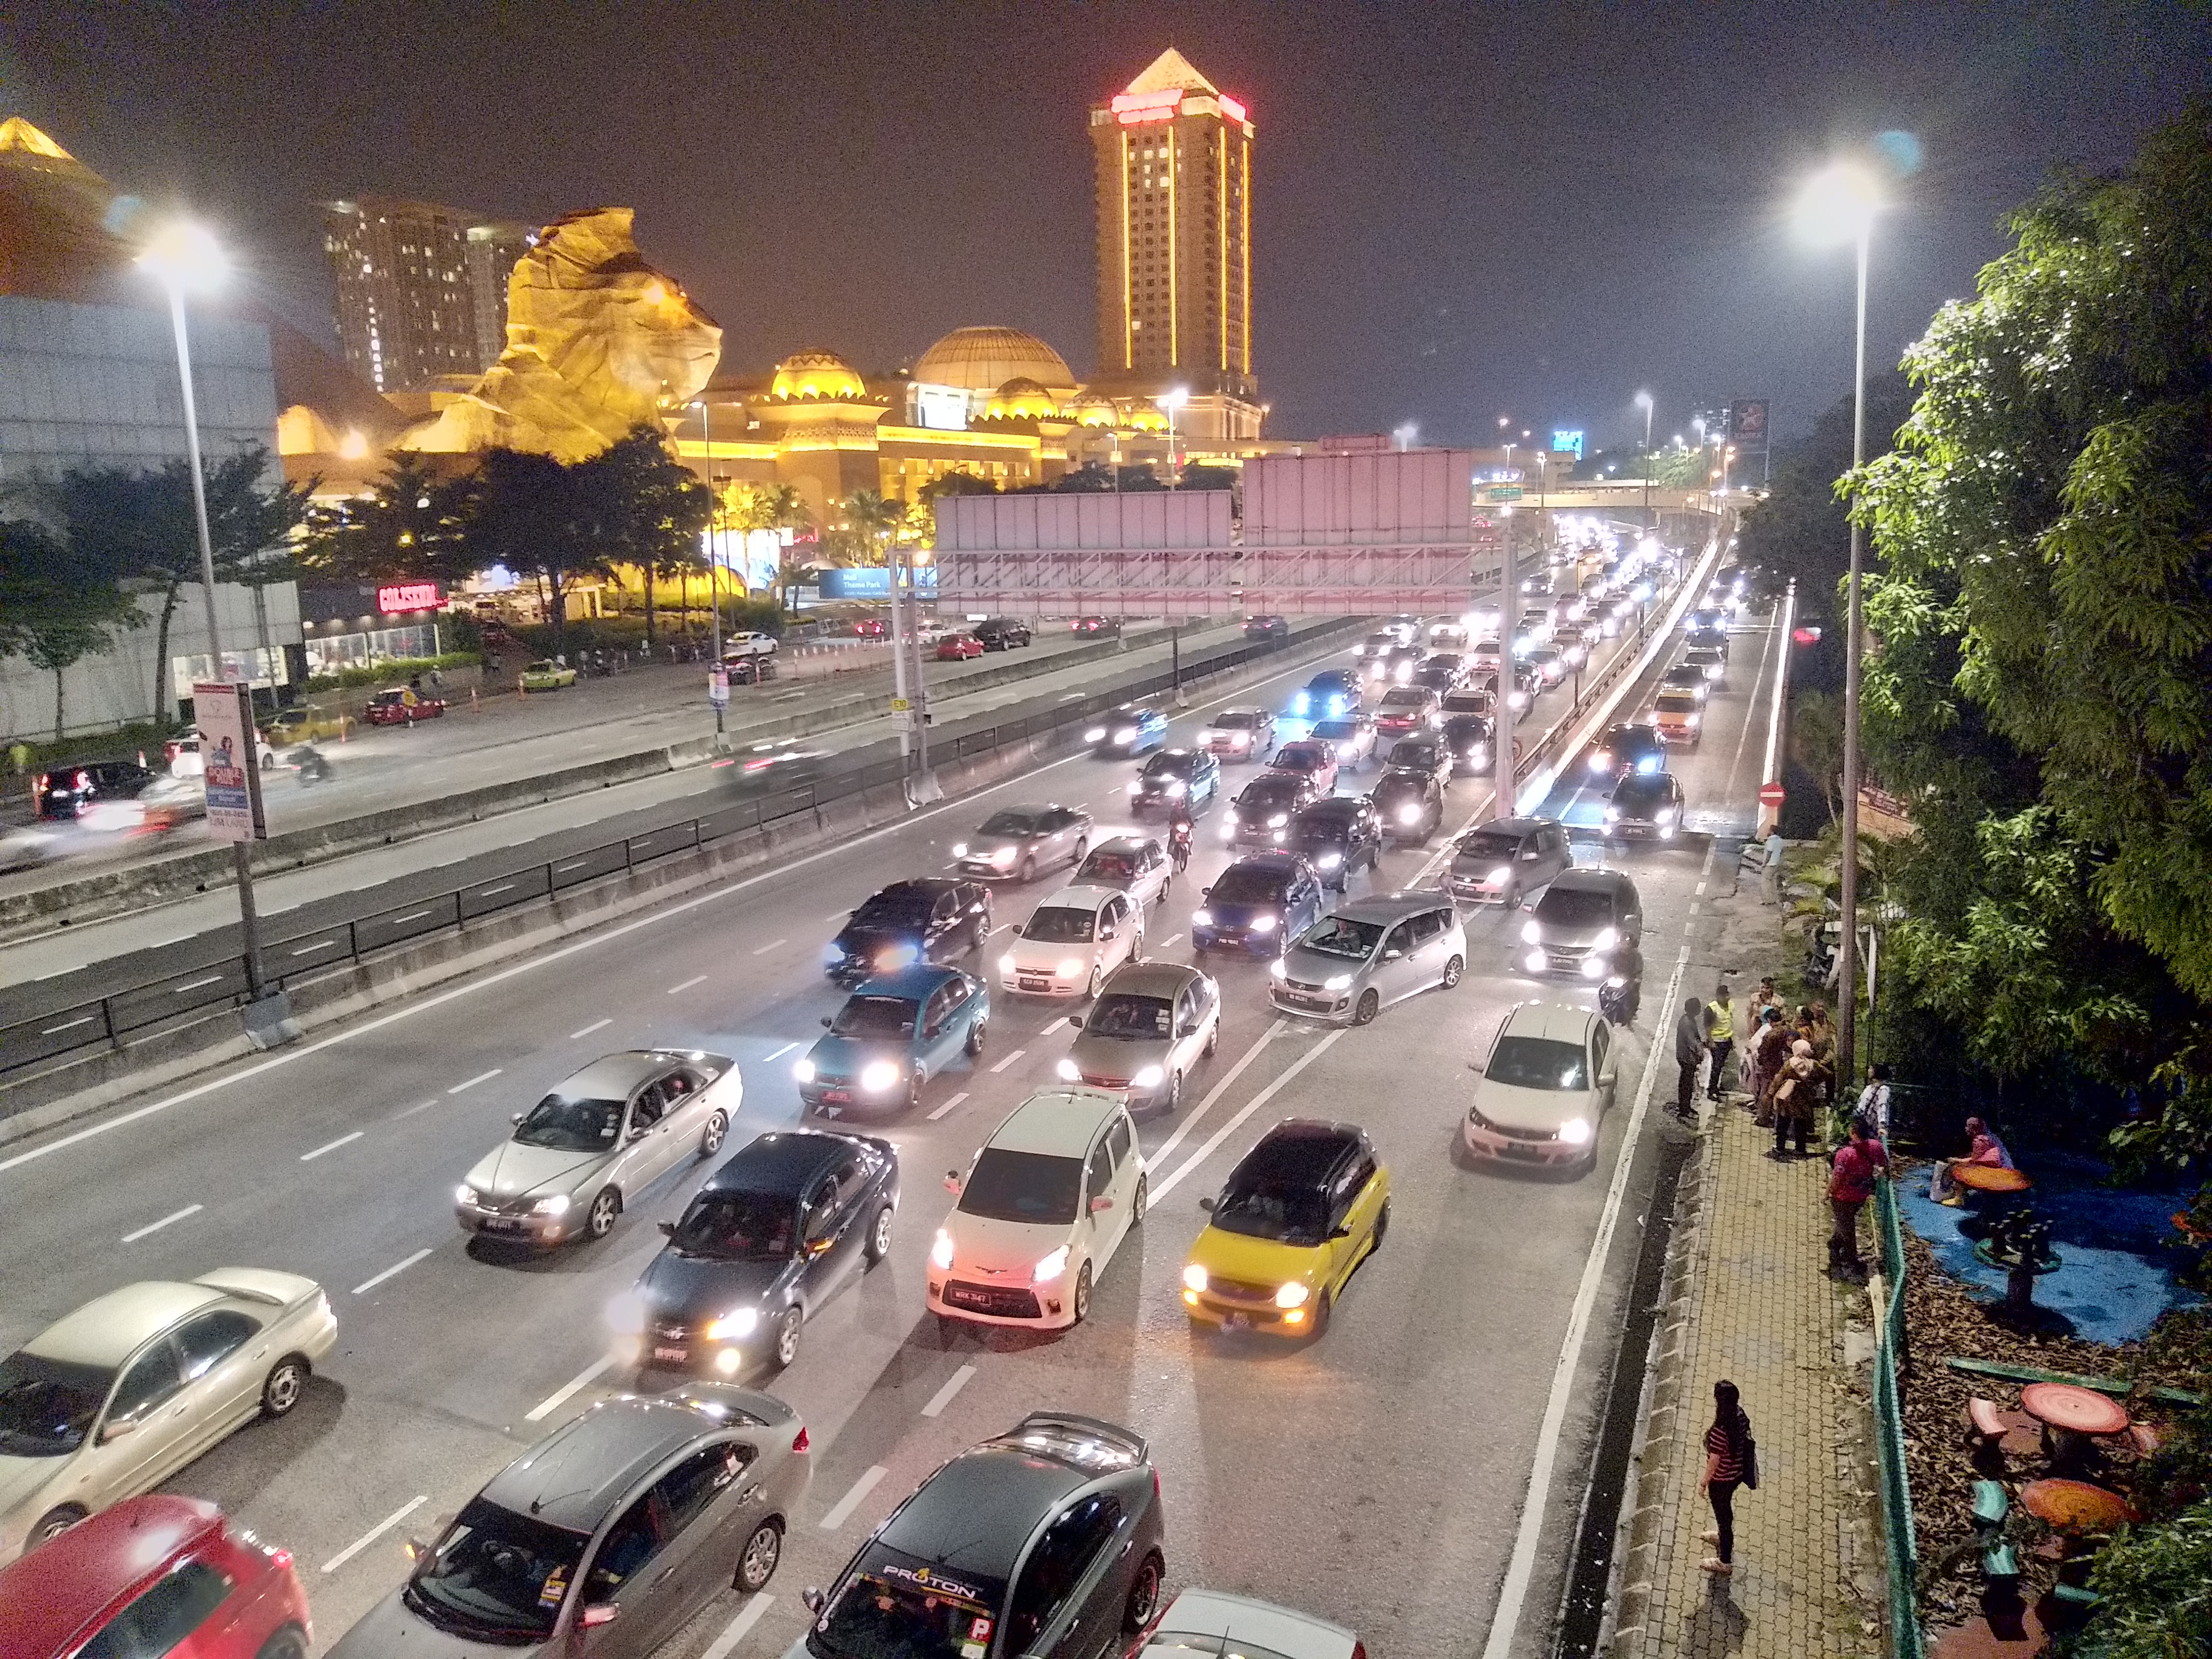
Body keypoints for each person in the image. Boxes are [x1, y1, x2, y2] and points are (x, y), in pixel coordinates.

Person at [1700, 1380, 1753, 1575]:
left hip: (1721, 1480)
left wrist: (1704, 1483)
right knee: (1725, 1514)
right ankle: (1722, 1537)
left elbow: (1714, 1461)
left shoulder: (1720, 1431)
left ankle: (1725, 1562)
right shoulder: (1740, 1415)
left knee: (1724, 1517)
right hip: (1736, 1474)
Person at [1827, 1117, 1887, 1278]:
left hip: (1842, 1197)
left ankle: (1850, 1259)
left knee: (1847, 1227)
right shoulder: (1876, 1146)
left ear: (1854, 1133)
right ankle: (1835, 1244)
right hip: (1861, 1195)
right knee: (1845, 1222)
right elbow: (1884, 1165)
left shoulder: (1845, 1154)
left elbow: (1837, 1178)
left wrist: (1828, 1193)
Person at [1773, 1038, 1816, 1157]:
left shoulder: (1790, 1064)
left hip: (1788, 1098)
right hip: (1804, 1099)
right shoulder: (1813, 1065)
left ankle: (1780, 1147)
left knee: (1783, 1123)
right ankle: (1800, 1149)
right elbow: (1826, 1074)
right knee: (1801, 1125)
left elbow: (1779, 1078)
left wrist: (1771, 1093)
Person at [1751, 1006, 1791, 1125]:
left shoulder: (1771, 1034)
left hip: (1769, 1066)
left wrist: (1761, 1062)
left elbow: (1763, 1051)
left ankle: (1763, 1117)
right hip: (1782, 1064)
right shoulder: (1787, 1030)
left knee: (1766, 1091)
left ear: (1769, 1020)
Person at [1673, 996, 1706, 1122]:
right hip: (1686, 1058)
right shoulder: (1687, 1023)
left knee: (1687, 1082)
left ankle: (1686, 1106)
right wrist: (1701, 1052)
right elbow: (1692, 1042)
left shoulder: (1689, 1020)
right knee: (1686, 1084)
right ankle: (1684, 1109)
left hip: (1686, 1057)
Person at [1705, 983, 1737, 1103]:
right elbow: (1707, 1026)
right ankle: (1711, 1090)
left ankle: (1715, 1087)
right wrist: (1711, 1041)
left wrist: (1732, 1039)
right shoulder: (1711, 1009)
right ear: (1718, 996)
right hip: (1717, 1042)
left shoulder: (1731, 1005)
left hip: (1727, 1041)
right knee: (1716, 1066)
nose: (1727, 998)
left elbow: (1730, 1022)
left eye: (1728, 995)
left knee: (1721, 1066)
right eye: (1724, 996)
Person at [1856, 1062, 1894, 1141]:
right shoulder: (1869, 1088)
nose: (1869, 1071)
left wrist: (1882, 1125)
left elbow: (1882, 1107)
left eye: (1871, 1069)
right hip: (1864, 1125)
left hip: (1874, 1128)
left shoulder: (1883, 1089)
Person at [1760, 826, 1786, 903]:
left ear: (1772, 832)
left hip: (1770, 864)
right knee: (1773, 881)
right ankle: (1774, 899)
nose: (1768, 832)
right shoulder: (1781, 841)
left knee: (1765, 881)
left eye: (1769, 830)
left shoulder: (1770, 841)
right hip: (1777, 863)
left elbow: (1769, 853)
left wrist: (1764, 864)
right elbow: (1782, 852)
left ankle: (1768, 900)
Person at [1167, 804, 1193, 873]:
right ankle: (1169, 852)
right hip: (1176, 828)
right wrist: (1172, 825)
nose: (1180, 806)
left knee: (1190, 839)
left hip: (1185, 828)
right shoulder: (1174, 812)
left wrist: (1192, 825)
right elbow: (1171, 820)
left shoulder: (1185, 811)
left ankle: (1189, 850)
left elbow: (1189, 818)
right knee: (1173, 840)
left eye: (1181, 804)